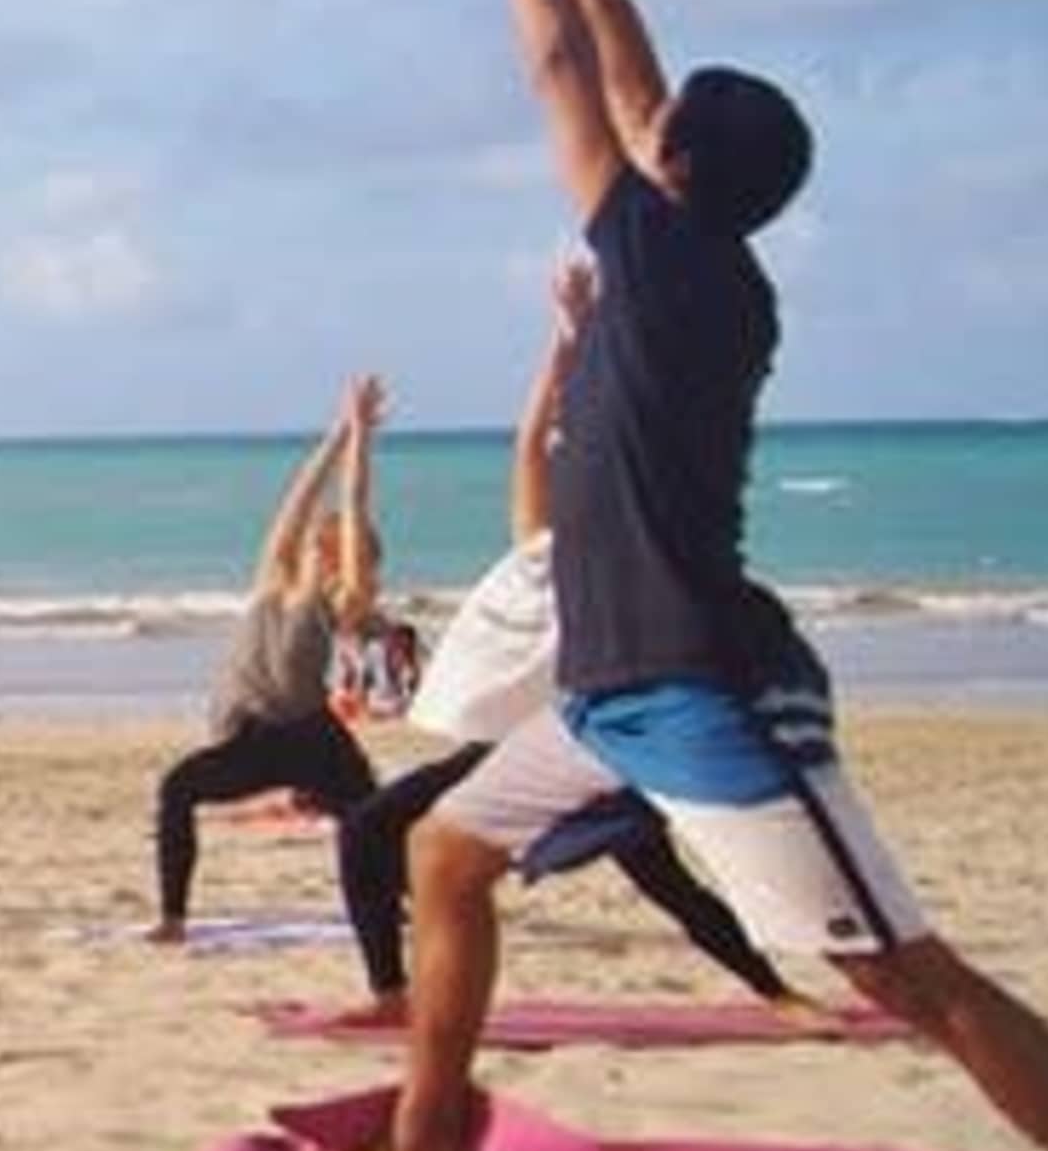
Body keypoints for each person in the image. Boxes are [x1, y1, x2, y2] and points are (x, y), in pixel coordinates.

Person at [381, 0, 1048, 1151]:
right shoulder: (696, 258)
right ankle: (428, 1143)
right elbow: (637, 89)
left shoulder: (669, 268)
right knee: (445, 854)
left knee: (910, 977)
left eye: (657, 132)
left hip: (707, 694)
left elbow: (562, 70)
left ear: (672, 173)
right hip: (605, 694)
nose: (636, 126)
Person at [326, 261, 792, 1021]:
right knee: (365, 832)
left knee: (666, 879)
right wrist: (567, 337)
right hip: (505, 754)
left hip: (590, 752)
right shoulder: (538, 545)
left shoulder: (629, 566)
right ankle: (389, 995)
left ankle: (779, 992)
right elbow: (530, 441)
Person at [147, 378, 387, 943]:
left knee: (370, 820)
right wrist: (339, 429)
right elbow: (298, 500)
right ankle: (173, 919)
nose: (305, 539)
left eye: (319, 541)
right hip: (247, 742)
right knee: (176, 789)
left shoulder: (339, 597)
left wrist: (361, 441)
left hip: (311, 741)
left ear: (331, 554)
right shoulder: (271, 577)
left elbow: (352, 507)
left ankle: (395, 907)